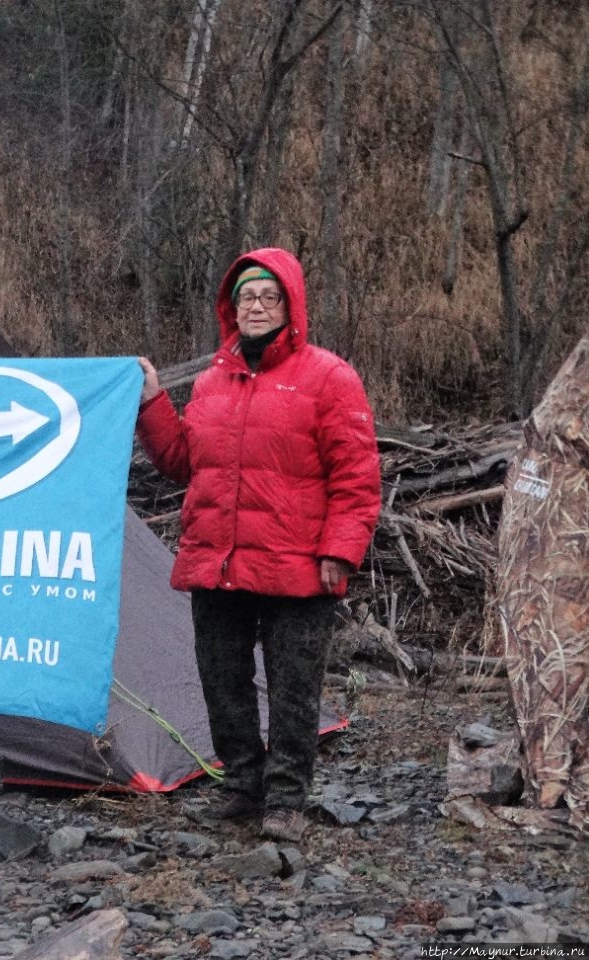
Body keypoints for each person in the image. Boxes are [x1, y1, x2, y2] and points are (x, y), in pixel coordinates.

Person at [137, 247, 380, 843]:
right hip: (216, 558)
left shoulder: (329, 377)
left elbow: (357, 475)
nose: (258, 306)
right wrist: (150, 400)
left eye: (270, 296)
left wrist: (339, 551)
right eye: (247, 296)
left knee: (294, 690)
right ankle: (243, 787)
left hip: (299, 567)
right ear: (231, 306)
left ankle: (286, 801)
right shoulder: (210, 382)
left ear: (290, 306)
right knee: (223, 681)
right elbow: (180, 462)